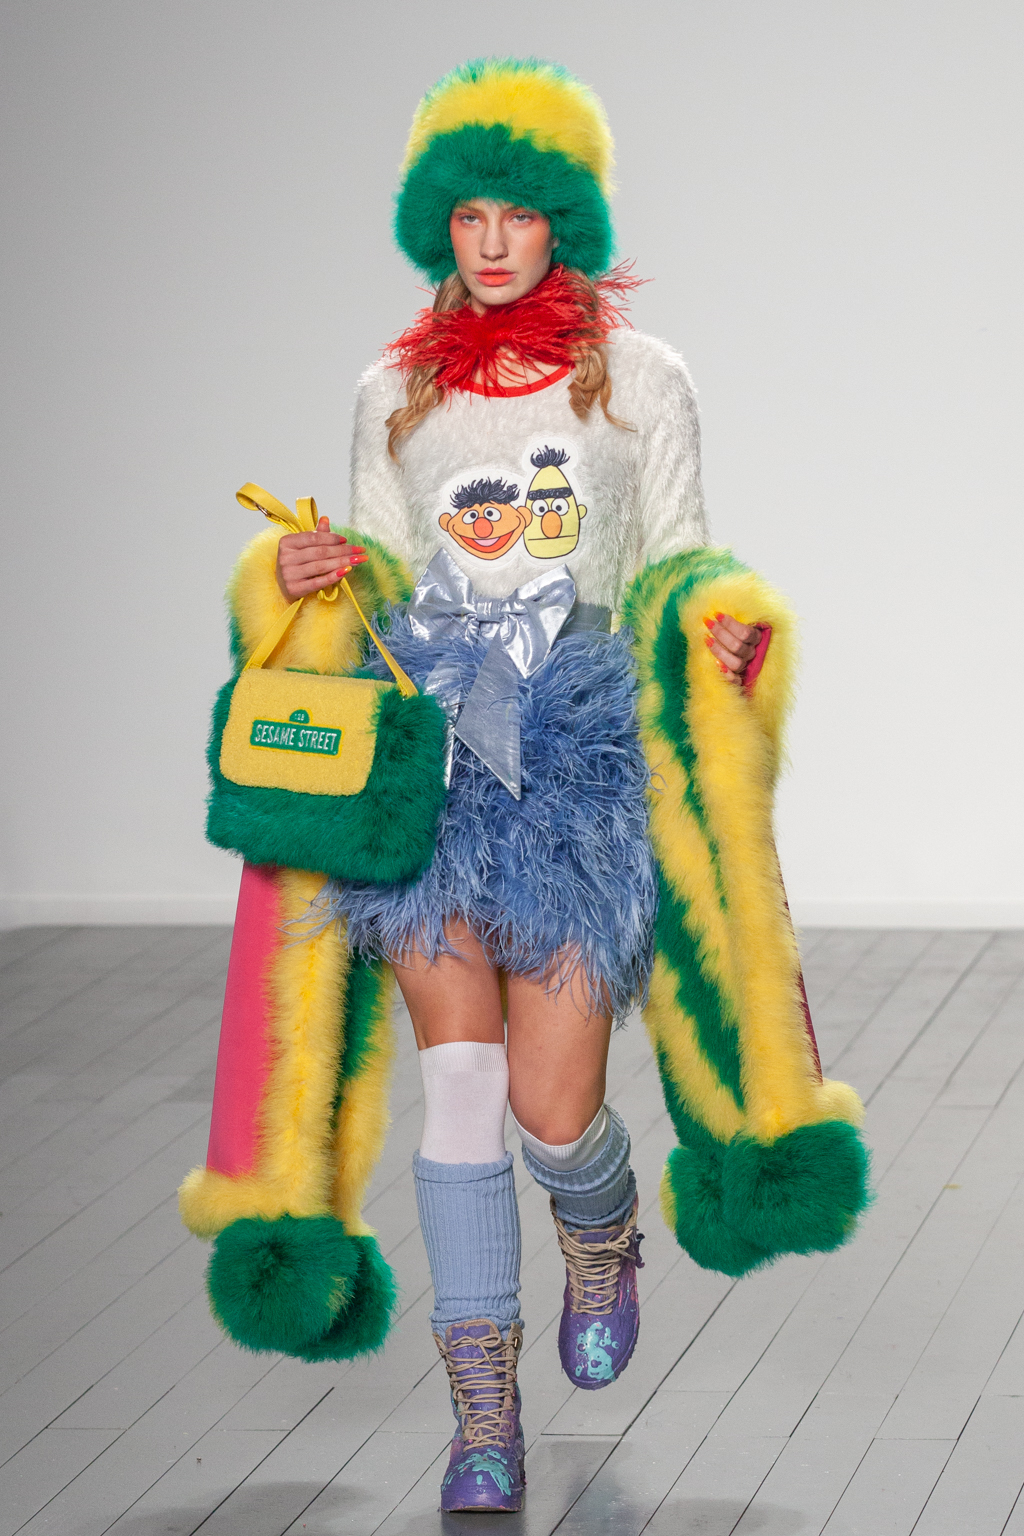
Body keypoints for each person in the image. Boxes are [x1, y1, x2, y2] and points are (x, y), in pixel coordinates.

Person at [181, 56, 869, 1520]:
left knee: (556, 1114)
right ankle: (480, 1411)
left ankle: (601, 1234)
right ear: (437, 222)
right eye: (468, 215)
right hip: (428, 768)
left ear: (567, 221)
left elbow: (680, 555)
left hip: (579, 766)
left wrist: (720, 624)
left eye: (520, 213)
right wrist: (302, 575)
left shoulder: (643, 380)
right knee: (461, 1084)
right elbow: (373, 576)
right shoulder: (393, 390)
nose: (493, 241)